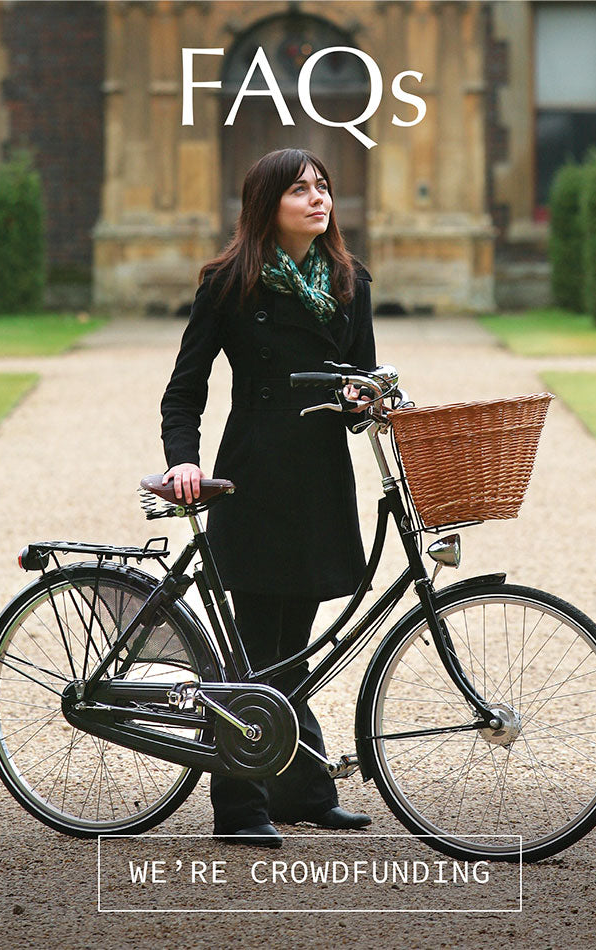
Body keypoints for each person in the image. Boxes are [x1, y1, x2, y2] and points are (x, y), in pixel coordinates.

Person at [159, 147, 376, 848]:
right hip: (251, 477)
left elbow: (364, 386)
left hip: (318, 478)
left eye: (323, 187)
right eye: (300, 189)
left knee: (295, 647)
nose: (318, 199)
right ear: (266, 204)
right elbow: (184, 391)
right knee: (253, 647)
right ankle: (240, 810)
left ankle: (306, 793)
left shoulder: (349, 280)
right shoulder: (230, 283)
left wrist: (358, 399)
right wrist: (184, 463)